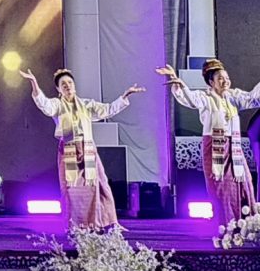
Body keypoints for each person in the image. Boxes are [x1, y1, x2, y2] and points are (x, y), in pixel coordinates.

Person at [20, 68, 144, 229]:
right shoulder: (57, 105)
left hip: (88, 149)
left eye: (70, 82)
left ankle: (108, 223)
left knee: (99, 185)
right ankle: (77, 225)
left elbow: (107, 110)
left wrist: (125, 96)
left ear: (74, 85)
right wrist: (34, 83)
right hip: (69, 150)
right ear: (58, 89)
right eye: (63, 84)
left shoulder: (86, 105)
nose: (67, 86)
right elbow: (43, 104)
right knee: (72, 189)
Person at [157, 61, 260, 228]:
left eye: (227, 78)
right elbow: (189, 99)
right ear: (211, 82)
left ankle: (247, 226)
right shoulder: (205, 98)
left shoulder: (233, 97)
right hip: (215, 147)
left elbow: (253, 99)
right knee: (223, 188)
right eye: (220, 79)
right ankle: (228, 227)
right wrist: (177, 81)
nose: (225, 81)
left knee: (244, 181)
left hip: (234, 148)